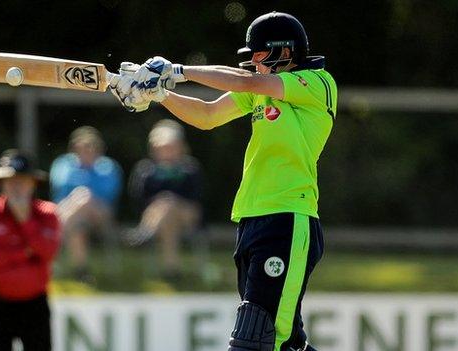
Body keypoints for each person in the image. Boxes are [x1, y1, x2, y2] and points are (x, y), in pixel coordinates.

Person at [110, 11, 336, 351]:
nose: (255, 65)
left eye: (259, 57)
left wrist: (177, 72)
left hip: (288, 218)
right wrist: (158, 94)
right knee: (283, 342)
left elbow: (245, 81)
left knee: (255, 339)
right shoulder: (263, 90)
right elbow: (208, 115)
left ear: (284, 52)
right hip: (252, 219)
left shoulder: (317, 84)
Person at [0, 149, 60, 351]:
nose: (16, 186)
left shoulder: (47, 214)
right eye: (11, 180)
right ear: (1, 183)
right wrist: (23, 252)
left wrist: (25, 221)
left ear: (33, 183)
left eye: (22, 180)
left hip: (35, 304)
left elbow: (48, 251)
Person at [128, 119, 202, 277]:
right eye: (162, 148)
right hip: (158, 215)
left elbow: (196, 197)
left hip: (187, 214)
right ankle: (172, 271)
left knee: (169, 203)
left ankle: (145, 233)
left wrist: (170, 199)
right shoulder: (145, 170)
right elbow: (139, 199)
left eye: (170, 147)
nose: (166, 151)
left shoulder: (189, 168)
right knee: (168, 218)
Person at [49, 126, 123, 280]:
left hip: (100, 214)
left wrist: (83, 192)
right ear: (74, 148)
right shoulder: (63, 164)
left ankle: (52, 243)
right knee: (78, 226)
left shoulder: (108, 167)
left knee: (84, 196)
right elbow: (59, 186)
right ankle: (81, 272)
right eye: (83, 147)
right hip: (71, 214)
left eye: (92, 147)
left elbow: (109, 193)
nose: (88, 150)